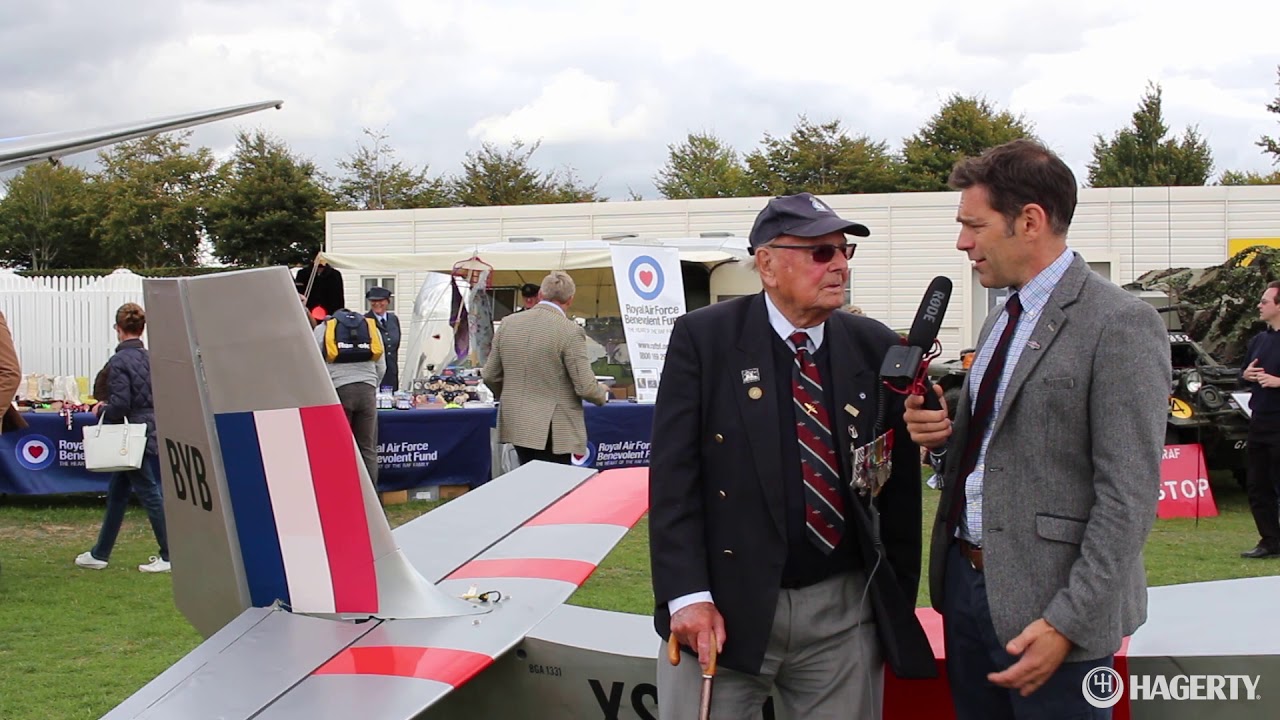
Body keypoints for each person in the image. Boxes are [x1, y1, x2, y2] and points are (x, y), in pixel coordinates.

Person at [904, 139, 1170, 719]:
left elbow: (1128, 496)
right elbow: (1002, 454)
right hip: (968, 594)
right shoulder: (1004, 314)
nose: (962, 243)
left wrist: (1068, 622)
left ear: (1030, 221)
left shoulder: (1121, 323)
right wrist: (942, 442)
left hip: (1054, 613)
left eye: (974, 225)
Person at [649, 192, 935, 719]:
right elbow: (674, 476)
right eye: (820, 252)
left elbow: (896, 485)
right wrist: (686, 596)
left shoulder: (873, 345)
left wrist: (889, 594)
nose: (841, 264)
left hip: (842, 612)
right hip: (724, 608)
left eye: (844, 250)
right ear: (767, 263)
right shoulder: (705, 339)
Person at [75, 303, 170, 574]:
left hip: (128, 434)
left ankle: (169, 553)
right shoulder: (151, 358)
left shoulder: (118, 361)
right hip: (147, 428)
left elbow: (120, 403)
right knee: (118, 492)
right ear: (142, 328)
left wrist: (101, 409)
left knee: (148, 491)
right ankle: (100, 553)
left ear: (118, 329)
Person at [483, 271, 609, 465]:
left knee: (529, 482)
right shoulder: (570, 330)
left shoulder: (508, 323)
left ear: (541, 294)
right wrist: (602, 393)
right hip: (553, 427)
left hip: (516, 420)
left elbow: (490, 375)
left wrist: (511, 395)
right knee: (555, 488)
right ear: (570, 299)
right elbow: (585, 386)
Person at [315, 308, 386, 484]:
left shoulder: (324, 328)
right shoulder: (371, 328)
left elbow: (315, 362)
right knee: (367, 448)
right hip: (367, 389)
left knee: (338, 447)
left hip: (339, 390)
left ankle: (342, 494)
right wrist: (372, 384)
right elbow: (382, 366)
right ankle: (372, 501)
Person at [1238, 280, 1280, 559]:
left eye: (1265, 301)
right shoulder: (1259, 340)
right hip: (1260, 420)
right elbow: (1243, 371)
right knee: (1258, 485)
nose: (1259, 305)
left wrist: (1278, 381)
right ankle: (1270, 541)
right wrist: (1247, 375)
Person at [366, 286, 402, 391]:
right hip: (374, 372)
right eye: (373, 301)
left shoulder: (393, 319)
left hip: (391, 372)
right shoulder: (365, 320)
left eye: (381, 300)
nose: (377, 304)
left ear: (387, 302)